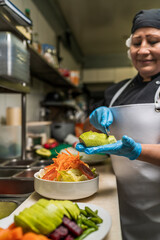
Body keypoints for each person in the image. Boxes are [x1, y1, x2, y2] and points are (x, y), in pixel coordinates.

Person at [76, 9, 160, 240]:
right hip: (118, 200)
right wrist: (92, 121)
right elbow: (85, 132)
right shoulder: (116, 91)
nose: (143, 50)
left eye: (153, 41)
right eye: (136, 43)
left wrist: (136, 151)